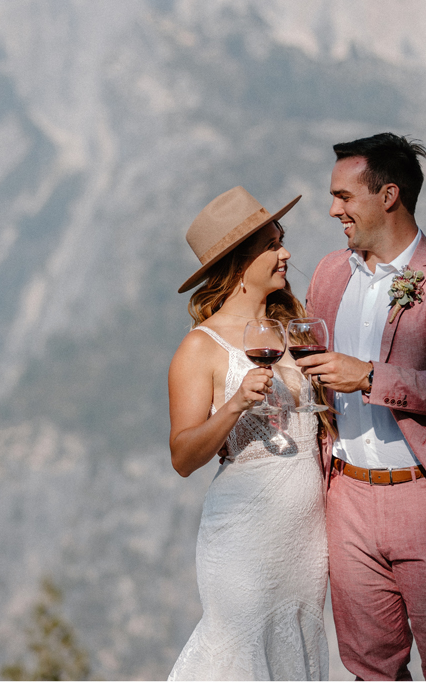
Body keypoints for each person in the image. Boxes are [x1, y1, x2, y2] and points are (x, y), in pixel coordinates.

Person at [298, 133, 426, 682]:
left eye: (344, 196)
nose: (332, 208)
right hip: (345, 499)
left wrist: (366, 376)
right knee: (369, 668)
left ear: (388, 195)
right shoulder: (328, 274)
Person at [167, 186, 329, 682]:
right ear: (240, 264)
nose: (286, 254)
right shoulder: (201, 348)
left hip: (307, 538)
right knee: (241, 653)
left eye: (282, 240)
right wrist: (236, 405)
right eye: (272, 246)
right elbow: (183, 456)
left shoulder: (297, 332)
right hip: (245, 534)